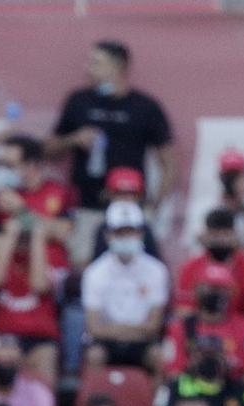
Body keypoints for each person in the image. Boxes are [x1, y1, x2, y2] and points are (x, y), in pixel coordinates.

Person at [49, 40, 172, 256]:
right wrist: (74, 139)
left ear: (119, 67)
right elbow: (48, 149)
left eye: (96, 63)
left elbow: (169, 162)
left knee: (137, 266)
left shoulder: (145, 107)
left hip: (131, 207)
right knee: (83, 264)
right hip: (87, 208)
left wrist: (154, 205)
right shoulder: (78, 101)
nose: (88, 68)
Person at [81, 200, 169, 368]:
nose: (125, 237)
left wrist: (119, 330)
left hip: (142, 342)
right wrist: (127, 331)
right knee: (94, 356)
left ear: (141, 233)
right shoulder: (94, 272)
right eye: (120, 232)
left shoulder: (157, 270)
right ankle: (93, 395)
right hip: (106, 342)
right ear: (108, 235)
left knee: (158, 357)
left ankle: (160, 395)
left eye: (130, 232)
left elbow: (154, 325)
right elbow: (93, 326)